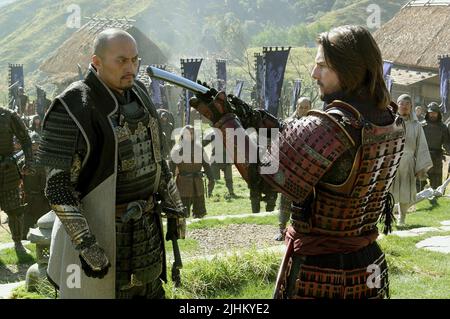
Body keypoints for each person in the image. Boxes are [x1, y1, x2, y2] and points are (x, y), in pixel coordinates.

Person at [191, 25, 405, 299]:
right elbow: (322, 153)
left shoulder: (328, 125)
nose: (313, 74)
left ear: (350, 68)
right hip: (369, 262)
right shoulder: (389, 119)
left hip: (323, 270)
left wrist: (226, 121)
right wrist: (259, 120)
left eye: (322, 66)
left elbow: (263, 181)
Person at [37, 28, 186, 299]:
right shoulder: (72, 106)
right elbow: (58, 189)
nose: (131, 67)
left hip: (147, 234)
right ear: (97, 62)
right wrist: (87, 245)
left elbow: (156, 156)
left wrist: (174, 204)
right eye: (121, 60)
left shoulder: (139, 93)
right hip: (102, 234)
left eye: (134, 60)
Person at [274, 97, 312, 241]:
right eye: (301, 107)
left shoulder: (315, 124)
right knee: (285, 199)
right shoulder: (287, 123)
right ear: (296, 107)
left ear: (310, 107)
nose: (303, 110)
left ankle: (301, 230)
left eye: (306, 107)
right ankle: (281, 229)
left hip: (307, 168)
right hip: (289, 168)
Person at [391, 94, 432, 226]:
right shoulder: (389, 121)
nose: (404, 106)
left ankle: (402, 219)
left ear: (411, 107)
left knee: (406, 191)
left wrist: (420, 167)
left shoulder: (417, 126)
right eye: (401, 103)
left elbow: (422, 146)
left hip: (408, 162)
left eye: (407, 104)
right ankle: (387, 217)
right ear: (397, 105)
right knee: (389, 192)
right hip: (391, 162)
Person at [0, 106, 34, 253]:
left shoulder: (8, 115)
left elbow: (25, 139)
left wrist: (29, 161)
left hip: (7, 170)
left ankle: (18, 243)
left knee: (14, 210)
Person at [171, 125, 214, 218]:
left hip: (197, 183)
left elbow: (206, 164)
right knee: (183, 214)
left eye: (191, 133)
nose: (190, 135)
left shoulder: (199, 148)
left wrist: (211, 178)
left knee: (200, 213)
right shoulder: (177, 149)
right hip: (183, 184)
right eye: (187, 133)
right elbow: (171, 168)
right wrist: (169, 184)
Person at [421, 102, 450, 205]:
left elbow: (446, 143)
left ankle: (435, 203)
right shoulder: (422, 126)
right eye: (431, 113)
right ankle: (418, 203)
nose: (432, 115)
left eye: (435, 113)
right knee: (419, 184)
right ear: (428, 113)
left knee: (436, 185)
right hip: (423, 158)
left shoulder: (443, 128)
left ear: (438, 113)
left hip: (437, 159)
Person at [202, 129, 236, 198]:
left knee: (229, 178)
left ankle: (231, 192)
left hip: (226, 158)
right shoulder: (213, 134)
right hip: (215, 158)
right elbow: (202, 144)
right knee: (212, 178)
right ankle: (209, 193)